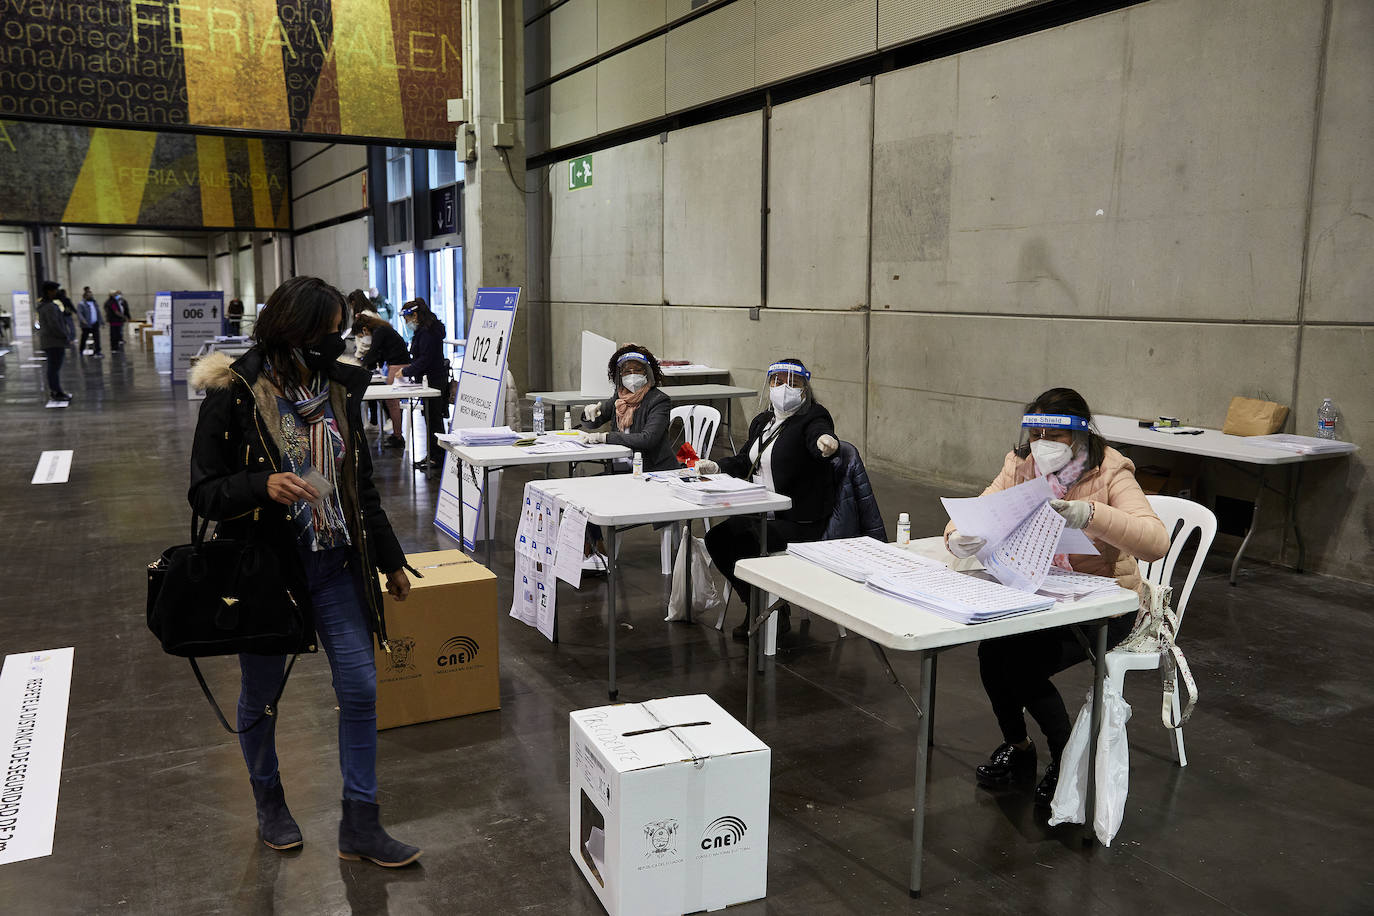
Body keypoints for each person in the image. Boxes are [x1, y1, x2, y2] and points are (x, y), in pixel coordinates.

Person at [187, 276, 421, 866]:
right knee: (262, 697)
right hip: (270, 572)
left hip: (338, 562)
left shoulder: (340, 389)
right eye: (325, 332)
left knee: (362, 689)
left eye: (338, 331)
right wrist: (260, 485)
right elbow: (204, 492)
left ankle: (360, 825)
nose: (335, 341)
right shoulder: (235, 393)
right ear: (291, 331)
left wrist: (392, 559)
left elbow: (357, 484)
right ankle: (269, 802)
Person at [945, 387, 1168, 808]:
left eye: (1055, 434)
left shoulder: (1112, 472)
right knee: (992, 655)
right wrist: (958, 538)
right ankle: (1019, 745)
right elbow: (974, 510)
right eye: (1036, 432)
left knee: (1022, 668)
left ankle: (1066, 756)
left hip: (1104, 605)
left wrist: (1092, 516)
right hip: (1039, 595)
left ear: (1081, 436)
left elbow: (1155, 542)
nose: (1042, 443)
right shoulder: (1022, 465)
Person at [700, 359, 839, 640]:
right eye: (777, 381)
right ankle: (757, 604)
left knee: (749, 540)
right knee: (717, 538)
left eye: (794, 382)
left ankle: (772, 609)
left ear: (805, 389)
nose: (784, 387)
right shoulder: (764, 421)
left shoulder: (813, 417)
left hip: (798, 520)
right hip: (761, 514)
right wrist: (717, 466)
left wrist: (826, 442)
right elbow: (744, 460)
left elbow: (819, 436)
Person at [578, 344, 679, 470]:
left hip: (651, 470)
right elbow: (594, 423)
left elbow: (648, 439)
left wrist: (606, 437)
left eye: (637, 370)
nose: (632, 375)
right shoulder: (620, 397)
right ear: (620, 375)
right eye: (627, 372)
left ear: (647, 372)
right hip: (621, 468)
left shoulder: (658, 400)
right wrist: (589, 414)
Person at [399, 299, 449, 471]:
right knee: (431, 420)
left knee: (434, 420)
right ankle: (434, 455)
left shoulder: (427, 332)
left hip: (433, 381)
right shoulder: (427, 330)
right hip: (432, 379)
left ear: (415, 315)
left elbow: (425, 359)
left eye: (407, 319)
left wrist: (406, 371)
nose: (407, 323)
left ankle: (437, 457)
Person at [352, 310, 411, 448]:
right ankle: (397, 434)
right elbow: (378, 353)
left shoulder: (379, 331)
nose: (364, 337)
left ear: (365, 329)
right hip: (395, 364)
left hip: (398, 365)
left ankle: (398, 436)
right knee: (392, 402)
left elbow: (373, 351)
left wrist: (359, 364)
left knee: (392, 401)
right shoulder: (382, 329)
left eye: (362, 335)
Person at [35, 281, 73, 401]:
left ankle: (56, 391)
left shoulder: (44, 305)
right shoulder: (50, 307)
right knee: (54, 369)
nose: (56, 292)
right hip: (54, 342)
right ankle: (56, 392)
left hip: (50, 341)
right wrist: (65, 336)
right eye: (54, 290)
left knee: (53, 368)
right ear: (49, 291)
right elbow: (54, 325)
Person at [77, 287, 102, 356]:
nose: (91, 296)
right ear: (85, 297)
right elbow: (79, 313)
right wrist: (83, 320)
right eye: (89, 295)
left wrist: (101, 321)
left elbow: (98, 312)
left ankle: (97, 351)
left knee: (97, 338)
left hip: (95, 323)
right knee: (84, 338)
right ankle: (81, 350)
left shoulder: (94, 303)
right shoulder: (81, 304)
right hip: (86, 324)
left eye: (91, 295)